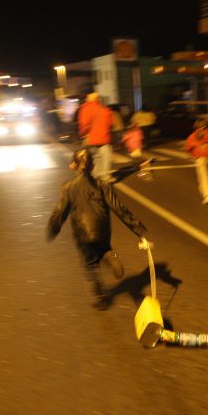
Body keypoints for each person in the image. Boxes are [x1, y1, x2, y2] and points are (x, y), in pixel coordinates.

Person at [47, 149, 149, 310]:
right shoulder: (103, 185)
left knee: (89, 265)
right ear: (93, 166)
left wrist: (53, 228)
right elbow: (119, 208)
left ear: (73, 166)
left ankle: (100, 297)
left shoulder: (68, 187)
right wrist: (139, 231)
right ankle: (109, 255)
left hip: (82, 233)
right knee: (103, 248)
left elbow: (60, 212)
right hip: (102, 230)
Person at [78, 91, 113, 180]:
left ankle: (94, 176)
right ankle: (104, 175)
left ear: (88, 99)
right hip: (103, 138)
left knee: (93, 157)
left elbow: (84, 124)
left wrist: (83, 134)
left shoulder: (85, 109)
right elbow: (110, 123)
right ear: (98, 99)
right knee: (105, 156)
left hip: (90, 139)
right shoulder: (104, 109)